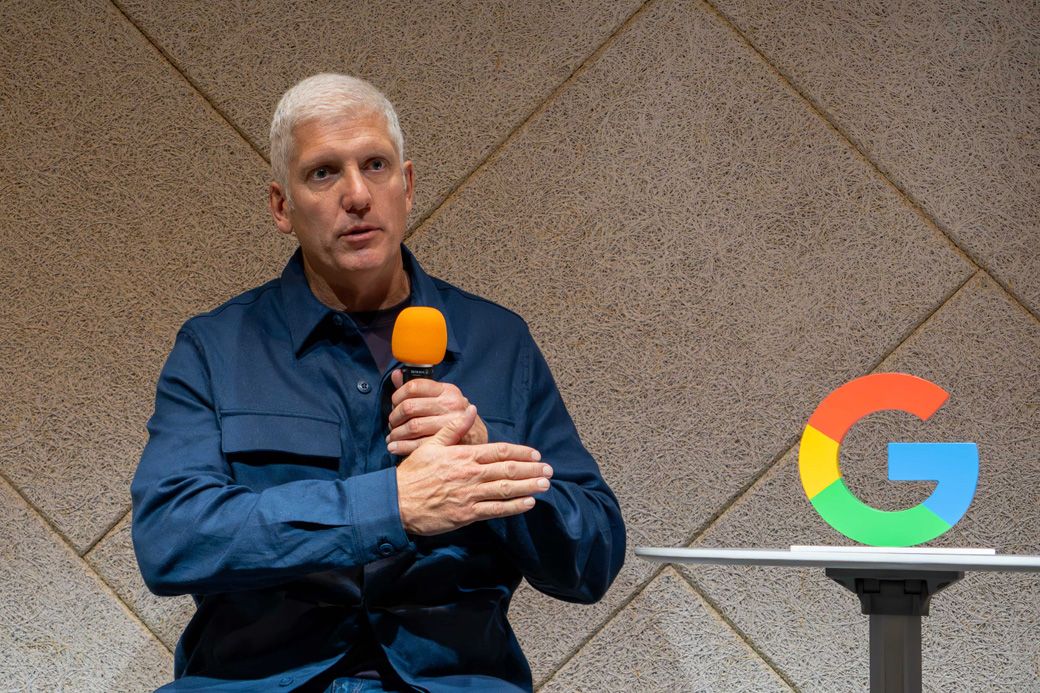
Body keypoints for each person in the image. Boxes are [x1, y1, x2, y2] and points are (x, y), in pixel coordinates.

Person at [131, 73, 625, 692]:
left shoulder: (499, 342)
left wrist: (488, 461)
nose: (358, 195)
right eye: (323, 173)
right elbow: (171, 538)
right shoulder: (216, 346)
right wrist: (391, 507)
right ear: (282, 207)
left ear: (407, 186)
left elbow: (592, 560)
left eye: (375, 165)